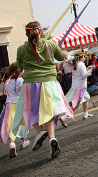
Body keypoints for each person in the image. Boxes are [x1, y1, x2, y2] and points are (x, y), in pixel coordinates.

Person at [14, 21, 73, 159]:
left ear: (27, 34)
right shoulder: (50, 45)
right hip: (49, 82)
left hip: (31, 83)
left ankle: (41, 132)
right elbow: (60, 57)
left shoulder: (21, 49)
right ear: (40, 31)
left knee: (28, 110)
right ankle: (52, 137)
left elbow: (19, 65)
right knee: (49, 111)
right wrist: (63, 52)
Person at [0, 64, 31, 158]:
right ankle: (23, 140)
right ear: (19, 71)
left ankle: (12, 143)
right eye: (22, 71)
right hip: (19, 104)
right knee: (23, 123)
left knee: (11, 124)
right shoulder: (20, 80)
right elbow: (23, 91)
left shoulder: (7, 81)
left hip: (9, 105)